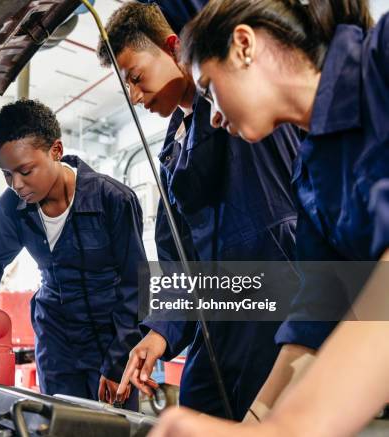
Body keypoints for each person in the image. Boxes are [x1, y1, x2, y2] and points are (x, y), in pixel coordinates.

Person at [147, 0, 389, 434]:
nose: (215, 118)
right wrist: (255, 421)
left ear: (243, 45)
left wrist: (284, 430)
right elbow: (314, 317)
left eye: (209, 90)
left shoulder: (384, 60)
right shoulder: (313, 175)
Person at [98, 1, 301, 420]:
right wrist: (161, 331)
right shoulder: (171, 156)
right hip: (218, 326)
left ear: (175, 48)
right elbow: (179, 266)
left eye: (135, 78)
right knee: (192, 416)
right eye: (126, 88)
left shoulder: (242, 105)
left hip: (280, 307)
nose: (135, 96)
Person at [0, 99, 146, 409]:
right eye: (7, 174)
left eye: (25, 171)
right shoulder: (11, 207)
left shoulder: (113, 200)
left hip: (110, 340)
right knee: (57, 424)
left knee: (114, 428)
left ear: (56, 151)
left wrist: (119, 361)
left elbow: (136, 287)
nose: (16, 184)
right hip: (57, 343)